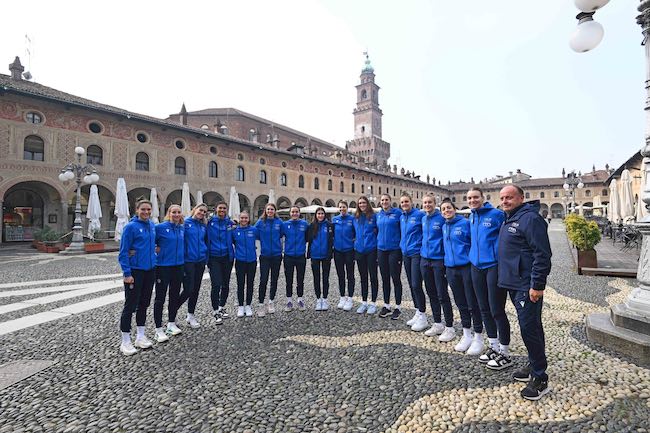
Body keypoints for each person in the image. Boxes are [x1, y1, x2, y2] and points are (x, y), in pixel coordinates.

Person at [498, 185, 552, 401]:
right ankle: (534, 364)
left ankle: (540, 378)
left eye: (509, 197)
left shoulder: (530, 219)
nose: (505, 201)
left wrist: (537, 285)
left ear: (521, 198)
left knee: (529, 329)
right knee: (533, 327)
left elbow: (543, 254)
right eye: (502, 198)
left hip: (526, 285)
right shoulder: (510, 217)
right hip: (514, 282)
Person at [466, 188, 511, 368]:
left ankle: (505, 352)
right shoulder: (471, 216)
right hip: (476, 267)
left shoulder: (497, 215)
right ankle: (493, 345)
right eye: (469, 198)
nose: (472, 200)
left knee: (497, 310)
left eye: (475, 197)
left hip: (493, 266)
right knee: (483, 308)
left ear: (483, 198)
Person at [441, 199, 484, 355]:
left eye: (449, 208)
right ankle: (466, 334)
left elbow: (474, 243)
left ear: (455, 209)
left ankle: (478, 336)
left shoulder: (465, 224)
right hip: (451, 269)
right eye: (444, 209)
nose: (446, 211)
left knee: (472, 303)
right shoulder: (444, 226)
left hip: (466, 267)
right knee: (460, 303)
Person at [117, 198, 157, 356]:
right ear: (137, 210)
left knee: (144, 304)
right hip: (135, 271)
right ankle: (125, 341)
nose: (146, 212)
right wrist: (127, 273)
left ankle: (140, 336)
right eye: (143, 210)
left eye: (148, 210)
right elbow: (123, 252)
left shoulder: (152, 226)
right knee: (130, 306)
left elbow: (153, 245)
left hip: (150, 270)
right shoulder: (130, 227)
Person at [420, 194, 455, 342]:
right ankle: (437, 323)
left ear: (435, 204)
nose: (427, 205)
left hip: (438, 260)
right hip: (425, 259)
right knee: (431, 293)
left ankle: (450, 327)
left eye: (430, 202)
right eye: (425, 202)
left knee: (442, 294)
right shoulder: (423, 218)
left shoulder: (441, 219)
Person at [153, 204, 185, 343]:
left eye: (178, 212)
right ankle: (158, 329)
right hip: (163, 266)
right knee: (160, 297)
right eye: (174, 212)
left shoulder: (181, 228)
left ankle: (171, 323)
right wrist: (155, 249)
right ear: (169, 213)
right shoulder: (160, 227)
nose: (176, 214)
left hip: (178, 266)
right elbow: (149, 240)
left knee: (174, 295)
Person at [174, 203, 209, 329]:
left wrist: (206, 258)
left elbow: (205, 242)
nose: (202, 213)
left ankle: (191, 314)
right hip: (188, 260)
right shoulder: (185, 223)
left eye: (205, 212)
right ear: (195, 210)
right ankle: (173, 311)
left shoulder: (203, 225)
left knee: (196, 289)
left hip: (200, 260)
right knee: (188, 289)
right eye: (201, 210)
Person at [400, 193, 427, 331]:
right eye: (402, 202)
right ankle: (418, 311)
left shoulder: (419, 215)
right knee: (411, 284)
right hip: (406, 253)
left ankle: (423, 315)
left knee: (417, 284)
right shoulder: (401, 217)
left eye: (406, 201)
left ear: (411, 202)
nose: (404, 204)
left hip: (416, 253)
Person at [207, 201, 235, 325]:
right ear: (215, 209)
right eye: (220, 208)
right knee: (216, 284)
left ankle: (221, 306)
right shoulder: (209, 222)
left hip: (227, 257)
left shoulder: (230, 223)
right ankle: (215, 310)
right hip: (213, 257)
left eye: (224, 208)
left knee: (226, 284)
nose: (222, 210)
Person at [376, 194, 403, 320]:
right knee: (385, 278)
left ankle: (398, 307)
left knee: (395, 278)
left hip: (394, 250)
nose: (384, 202)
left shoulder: (398, 213)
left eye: (386, 199)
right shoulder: (379, 215)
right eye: (382, 200)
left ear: (391, 201)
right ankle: (386, 305)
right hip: (381, 249)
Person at [255, 203, 283, 316]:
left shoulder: (279, 222)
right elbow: (255, 234)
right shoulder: (260, 222)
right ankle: (261, 304)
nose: (270, 211)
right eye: (268, 209)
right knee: (263, 280)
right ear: (265, 210)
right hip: (265, 255)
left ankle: (271, 302)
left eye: (272, 209)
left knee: (274, 279)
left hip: (276, 255)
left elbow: (281, 234)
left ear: (275, 211)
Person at [353, 196, 379, 314]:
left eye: (364, 203)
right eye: (360, 203)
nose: (362, 205)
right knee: (363, 278)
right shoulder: (356, 218)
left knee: (373, 277)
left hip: (371, 250)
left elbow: (379, 231)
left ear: (367, 204)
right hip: (359, 251)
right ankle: (364, 302)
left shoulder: (374, 217)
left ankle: (373, 303)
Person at [282, 206, 309, 311]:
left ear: (299, 213)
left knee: (300, 279)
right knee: (289, 279)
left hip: (300, 255)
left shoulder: (304, 224)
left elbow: (308, 237)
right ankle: (289, 300)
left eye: (296, 212)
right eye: (293, 212)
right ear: (290, 213)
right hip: (288, 255)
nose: (294, 213)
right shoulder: (285, 225)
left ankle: (300, 299)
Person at [308, 207, 334, 310]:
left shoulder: (329, 226)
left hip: (325, 255)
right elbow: (307, 239)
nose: (320, 215)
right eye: (318, 214)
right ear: (316, 215)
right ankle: (318, 299)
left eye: (322, 213)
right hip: (314, 255)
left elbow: (332, 239)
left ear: (325, 215)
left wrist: (330, 253)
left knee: (325, 278)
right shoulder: (311, 226)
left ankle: (325, 299)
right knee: (316, 278)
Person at [232, 210, 257, 317]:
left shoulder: (254, 230)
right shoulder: (234, 231)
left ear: (248, 219)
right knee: (240, 284)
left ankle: (248, 305)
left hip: (252, 260)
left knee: (250, 284)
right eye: (242, 218)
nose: (244, 220)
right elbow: (232, 242)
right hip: (240, 261)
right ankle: (241, 306)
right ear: (239, 219)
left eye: (245, 218)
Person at [332, 200, 356, 311]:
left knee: (350, 275)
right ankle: (342, 297)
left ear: (347, 208)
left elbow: (357, 233)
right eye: (340, 207)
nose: (342, 209)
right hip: (338, 251)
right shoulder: (334, 220)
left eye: (344, 207)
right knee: (340, 275)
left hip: (349, 250)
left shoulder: (352, 219)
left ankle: (350, 298)